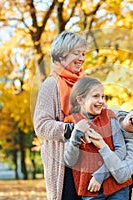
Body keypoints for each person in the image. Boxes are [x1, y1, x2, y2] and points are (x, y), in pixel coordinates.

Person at [33, 31, 88, 200]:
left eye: (83, 54)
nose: (81, 58)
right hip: (64, 166)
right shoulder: (51, 84)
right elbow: (41, 125)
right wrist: (72, 129)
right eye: (76, 53)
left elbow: (102, 111)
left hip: (89, 160)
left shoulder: (87, 83)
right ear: (61, 55)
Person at [64, 77, 133, 200]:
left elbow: (121, 151)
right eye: (96, 96)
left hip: (117, 185)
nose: (101, 101)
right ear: (80, 99)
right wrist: (76, 135)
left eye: (103, 96)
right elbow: (70, 161)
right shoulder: (71, 122)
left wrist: (100, 175)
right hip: (90, 190)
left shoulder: (110, 116)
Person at [88, 102, 133, 199]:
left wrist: (102, 146)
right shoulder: (110, 115)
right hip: (92, 177)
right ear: (132, 110)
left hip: (119, 187)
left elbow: (122, 175)